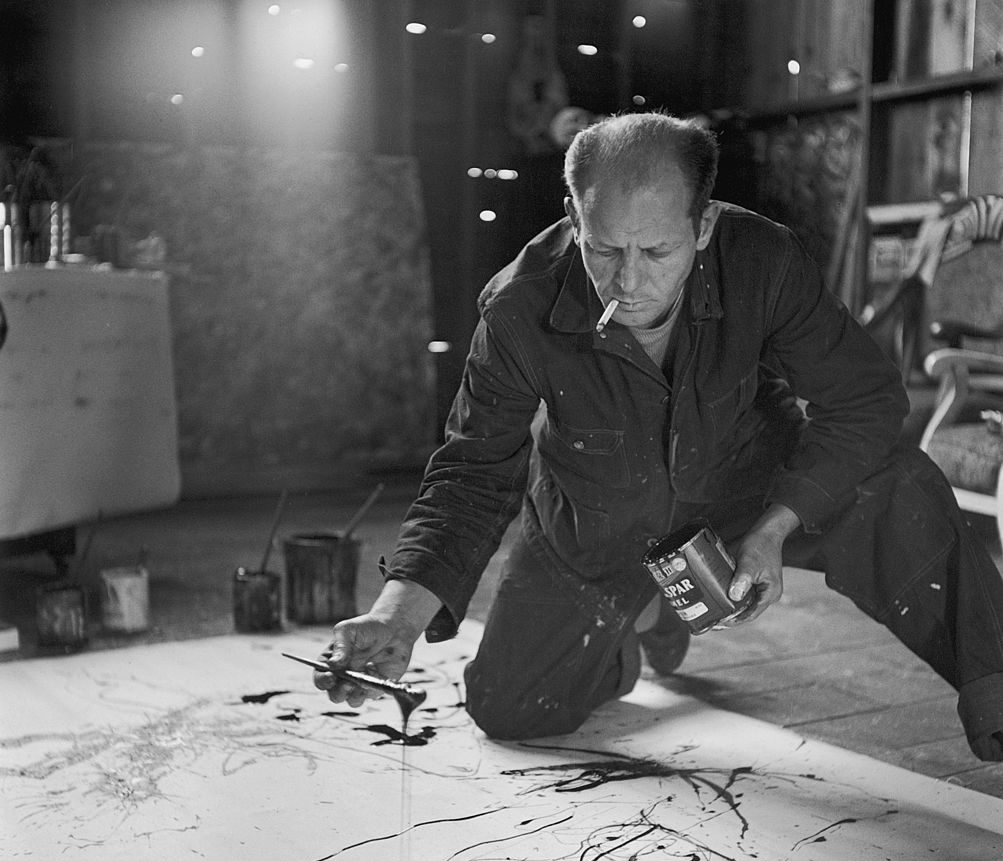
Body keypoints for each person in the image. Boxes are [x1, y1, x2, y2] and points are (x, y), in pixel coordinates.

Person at [315, 112, 1003, 762]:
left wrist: (774, 526)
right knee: (511, 709)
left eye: (656, 250)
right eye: (604, 248)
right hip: (595, 526)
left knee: (900, 486)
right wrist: (397, 618)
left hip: (746, 491)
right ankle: (647, 618)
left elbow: (863, 400)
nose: (628, 279)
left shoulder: (761, 260)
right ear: (572, 218)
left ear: (702, 226)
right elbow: (471, 471)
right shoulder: (518, 309)